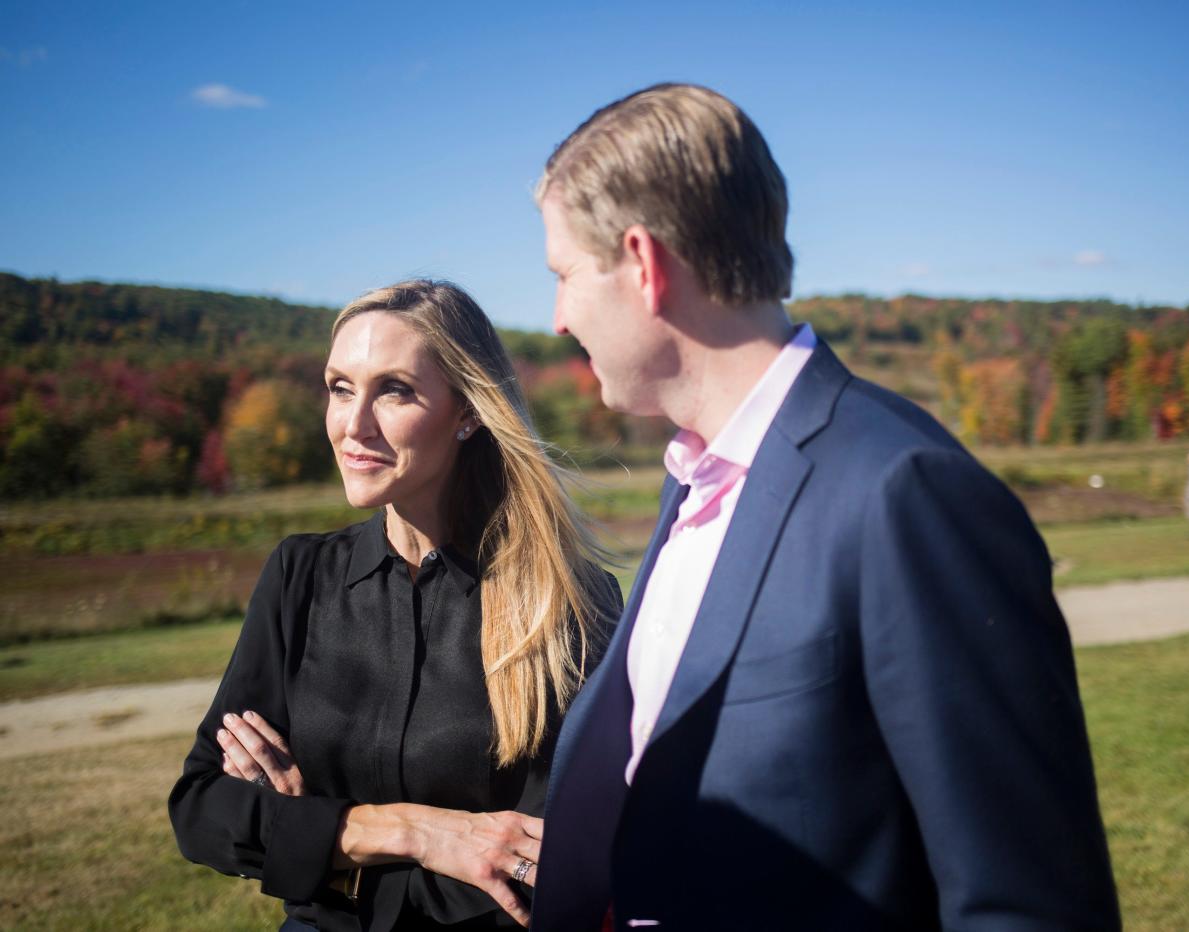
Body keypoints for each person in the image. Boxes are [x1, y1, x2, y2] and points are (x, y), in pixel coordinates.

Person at [531, 84, 1122, 930]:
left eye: (563, 275)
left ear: (644, 264)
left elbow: (1026, 902)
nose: (555, 319)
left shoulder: (906, 494)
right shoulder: (694, 478)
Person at [169, 280, 622, 932]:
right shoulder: (299, 577)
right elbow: (201, 808)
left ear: (467, 411)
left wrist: (315, 840)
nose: (353, 425)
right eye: (340, 387)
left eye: (394, 390)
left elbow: (541, 865)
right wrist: (417, 831)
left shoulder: (569, 602)